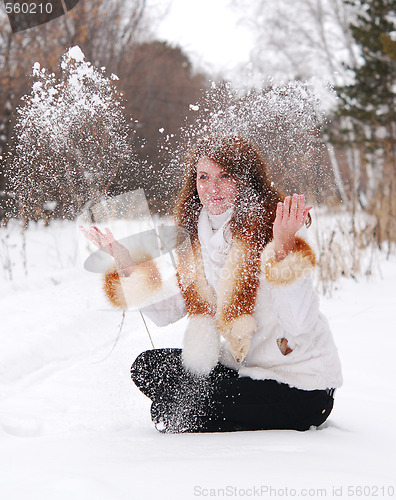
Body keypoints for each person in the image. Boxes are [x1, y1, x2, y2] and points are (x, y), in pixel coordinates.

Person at [81, 134, 342, 433]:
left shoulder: (275, 228)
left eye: (225, 176)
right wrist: (125, 261)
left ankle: (203, 410)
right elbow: (168, 311)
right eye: (203, 177)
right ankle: (204, 408)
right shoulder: (198, 236)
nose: (212, 188)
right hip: (243, 371)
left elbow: (299, 324)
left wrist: (283, 247)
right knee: (148, 367)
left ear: (245, 179)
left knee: (176, 409)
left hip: (299, 384)